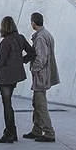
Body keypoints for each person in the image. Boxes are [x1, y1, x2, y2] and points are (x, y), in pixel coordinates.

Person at [0, 16, 35, 144]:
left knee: (7, 104)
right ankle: (12, 132)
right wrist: (21, 61)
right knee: (8, 103)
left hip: (5, 76)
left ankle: (9, 133)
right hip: (15, 75)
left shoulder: (5, 41)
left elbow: (1, 61)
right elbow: (32, 53)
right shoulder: (20, 38)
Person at [24, 12, 59, 143]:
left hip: (41, 75)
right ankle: (36, 129)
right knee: (37, 102)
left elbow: (41, 58)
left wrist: (33, 69)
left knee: (40, 104)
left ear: (33, 23)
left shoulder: (40, 38)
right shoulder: (46, 34)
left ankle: (49, 132)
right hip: (44, 74)